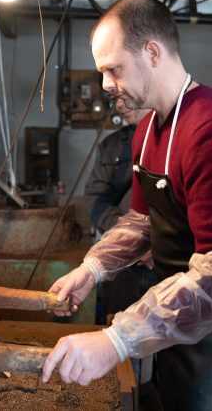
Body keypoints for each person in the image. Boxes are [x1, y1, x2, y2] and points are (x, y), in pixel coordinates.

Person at [41, 0, 212, 411]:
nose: (106, 83)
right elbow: (141, 222)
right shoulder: (147, 130)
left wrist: (116, 340)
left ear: (152, 53)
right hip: (178, 321)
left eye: (113, 69)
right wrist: (93, 268)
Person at [85, 101, 155, 322]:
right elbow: (96, 199)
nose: (118, 105)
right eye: (113, 96)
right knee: (118, 333)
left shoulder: (180, 137)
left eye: (124, 94)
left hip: (170, 264)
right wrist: (130, 239)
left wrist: (158, 245)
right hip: (125, 266)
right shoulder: (112, 146)